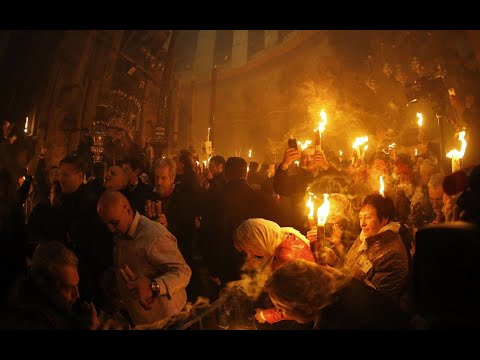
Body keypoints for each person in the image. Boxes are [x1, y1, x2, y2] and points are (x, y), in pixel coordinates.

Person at [97, 190, 191, 328]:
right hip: (146, 320)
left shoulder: (154, 236)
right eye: (106, 224)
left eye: (114, 223)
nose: (110, 229)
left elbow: (183, 272)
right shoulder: (121, 233)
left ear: (127, 210)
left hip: (169, 322)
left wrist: (153, 287)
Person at [1, 241, 116, 329]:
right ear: (44, 284)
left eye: (77, 286)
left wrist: (83, 324)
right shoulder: (27, 320)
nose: (77, 294)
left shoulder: (55, 304)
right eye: (68, 287)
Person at [265, 259, 409, 329]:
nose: (282, 312)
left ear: (300, 303)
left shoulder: (338, 321)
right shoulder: (344, 285)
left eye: (282, 307)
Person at [233, 218, 316, 325]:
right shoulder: (284, 234)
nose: (250, 254)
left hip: (300, 321)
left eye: (249, 248)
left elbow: (301, 305)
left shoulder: (285, 259)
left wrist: (265, 315)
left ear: (259, 241)